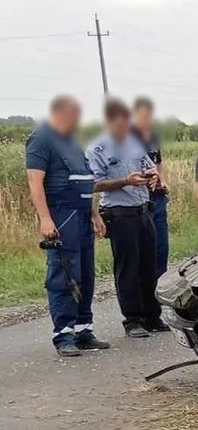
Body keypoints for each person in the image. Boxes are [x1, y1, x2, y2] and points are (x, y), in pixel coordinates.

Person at [25, 95, 109, 357]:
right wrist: (45, 218)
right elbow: (35, 183)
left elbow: (86, 180)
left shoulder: (72, 141)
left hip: (82, 215)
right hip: (62, 215)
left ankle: (84, 331)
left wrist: (95, 214)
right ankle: (64, 335)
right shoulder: (41, 140)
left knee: (85, 274)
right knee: (64, 275)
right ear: (61, 112)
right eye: (75, 114)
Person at [87, 97, 166, 338]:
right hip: (120, 214)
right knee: (128, 268)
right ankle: (133, 320)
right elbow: (94, 184)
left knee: (149, 265)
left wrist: (152, 175)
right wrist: (124, 181)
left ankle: (152, 316)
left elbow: (149, 166)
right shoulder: (97, 149)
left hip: (144, 209)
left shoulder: (134, 142)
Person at [130, 96, 169, 279]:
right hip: (138, 199)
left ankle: (160, 282)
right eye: (143, 116)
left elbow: (159, 163)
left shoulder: (153, 137)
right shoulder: (127, 138)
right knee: (143, 246)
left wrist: (163, 181)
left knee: (161, 245)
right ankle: (144, 284)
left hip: (157, 197)